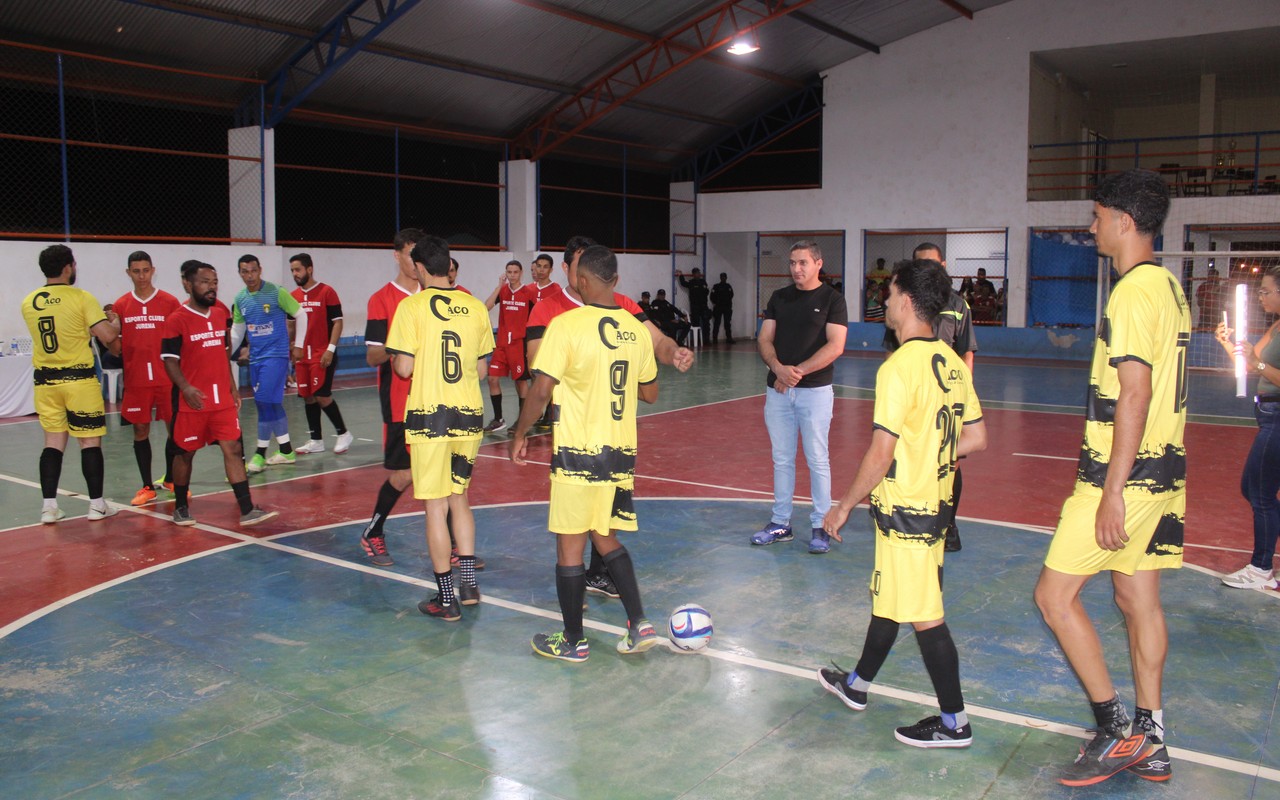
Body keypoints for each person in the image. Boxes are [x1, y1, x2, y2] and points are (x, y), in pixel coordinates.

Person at [1033, 169, 1187, 786]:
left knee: (1054, 597)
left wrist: (1113, 492)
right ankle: (1153, 736)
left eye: (1097, 217)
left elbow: (1134, 393)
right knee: (1137, 600)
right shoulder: (1169, 287)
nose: (1091, 226)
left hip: (1120, 476)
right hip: (1165, 470)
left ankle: (1117, 729)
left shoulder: (1131, 292)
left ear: (1124, 221)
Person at [818, 258, 987, 748]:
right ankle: (856, 685)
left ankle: (954, 722)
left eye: (889, 295)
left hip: (907, 511)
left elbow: (882, 452)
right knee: (891, 600)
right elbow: (977, 437)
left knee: (926, 615)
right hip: (934, 506)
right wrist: (932, 451)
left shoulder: (898, 368)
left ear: (907, 303)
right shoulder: (952, 364)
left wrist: (843, 505)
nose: (885, 302)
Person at [510, 244, 660, 661]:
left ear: (580, 281)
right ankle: (639, 622)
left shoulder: (566, 325)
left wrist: (520, 432)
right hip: (620, 453)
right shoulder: (635, 328)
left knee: (569, 547)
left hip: (578, 453)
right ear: (616, 280)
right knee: (604, 534)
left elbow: (541, 389)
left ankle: (573, 640)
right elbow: (650, 393)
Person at [525, 235, 693, 596]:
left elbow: (657, 341)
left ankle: (595, 579)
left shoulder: (624, 307)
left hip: (606, 432)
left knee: (600, 516)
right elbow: (537, 366)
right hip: (575, 425)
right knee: (584, 518)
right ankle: (603, 595)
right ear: (568, 268)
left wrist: (674, 351)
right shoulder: (547, 310)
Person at [384, 235, 494, 621]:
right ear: (449, 266)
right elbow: (482, 370)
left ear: (418, 268)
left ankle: (446, 598)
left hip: (430, 416)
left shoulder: (411, 307)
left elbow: (403, 368)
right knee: (459, 497)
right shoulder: (475, 307)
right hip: (469, 414)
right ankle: (469, 586)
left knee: (435, 507)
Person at [162, 260, 276, 527]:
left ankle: (247, 509)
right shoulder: (176, 320)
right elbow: (169, 360)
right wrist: (186, 387)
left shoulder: (221, 312)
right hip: (192, 401)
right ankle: (180, 507)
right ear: (188, 284)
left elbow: (223, 354)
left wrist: (232, 388)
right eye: (205, 282)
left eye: (214, 282)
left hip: (222, 399)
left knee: (233, 448)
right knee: (185, 454)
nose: (211, 287)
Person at [751, 240, 847, 554]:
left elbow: (836, 345)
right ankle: (781, 523)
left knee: (817, 458)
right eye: (792, 263)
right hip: (778, 392)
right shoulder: (779, 297)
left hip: (815, 392)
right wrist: (778, 369)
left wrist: (797, 373)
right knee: (782, 459)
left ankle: (820, 525)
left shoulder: (833, 299)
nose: (796, 268)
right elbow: (765, 338)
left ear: (818, 263)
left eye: (803, 262)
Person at [884, 243, 976, 553]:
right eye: (920, 264)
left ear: (943, 265)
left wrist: (963, 394)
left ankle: (949, 524)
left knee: (952, 462)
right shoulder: (902, 306)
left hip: (945, 394)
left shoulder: (958, 305)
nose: (926, 269)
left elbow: (966, 353)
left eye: (932, 263)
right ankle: (909, 516)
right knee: (906, 455)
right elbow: (891, 351)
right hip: (912, 395)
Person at [21, 244, 121, 523]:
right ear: (68, 267)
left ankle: (49, 508)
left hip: (46, 383)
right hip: (79, 380)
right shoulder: (81, 297)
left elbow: (61, 328)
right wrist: (116, 323)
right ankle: (97, 505)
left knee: (53, 442)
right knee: (89, 442)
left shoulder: (29, 301)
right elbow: (106, 336)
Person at [1215, 267, 1280, 589]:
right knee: (1254, 489)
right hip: (1268, 415)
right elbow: (1251, 362)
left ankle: (1261, 569)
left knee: (1260, 492)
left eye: (1266, 291)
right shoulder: (1277, 326)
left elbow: (1260, 365)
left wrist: (1259, 364)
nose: (1261, 296)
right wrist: (1229, 344)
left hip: (1278, 418)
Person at [108, 251, 182, 507]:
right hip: (137, 379)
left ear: (153, 270)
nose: (142, 276)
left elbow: (180, 339)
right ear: (128, 273)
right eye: (136, 271)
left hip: (167, 377)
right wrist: (108, 333)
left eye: (146, 270)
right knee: (140, 430)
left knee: (174, 428)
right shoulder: (120, 306)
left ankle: (172, 480)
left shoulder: (169, 302)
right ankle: (147, 486)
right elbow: (115, 347)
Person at [231, 254, 307, 473]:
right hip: (256, 358)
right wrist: (225, 352)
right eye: (245, 272)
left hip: (276, 355)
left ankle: (260, 453)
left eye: (253, 270)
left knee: (263, 400)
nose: (250, 275)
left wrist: (299, 345)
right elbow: (238, 331)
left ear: (260, 270)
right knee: (270, 404)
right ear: (240, 273)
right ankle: (286, 450)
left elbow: (301, 315)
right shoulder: (241, 299)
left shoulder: (276, 292)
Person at [289, 253, 354, 456]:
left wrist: (330, 349)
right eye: (292, 270)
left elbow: (338, 322)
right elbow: (291, 326)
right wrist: (290, 347)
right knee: (308, 397)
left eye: (298, 269)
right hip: (303, 356)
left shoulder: (327, 292)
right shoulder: (293, 297)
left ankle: (343, 434)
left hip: (322, 354)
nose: (295, 274)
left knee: (322, 396)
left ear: (309, 269)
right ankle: (316, 440)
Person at [481, 260, 534, 433]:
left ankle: (522, 421)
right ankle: (498, 419)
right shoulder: (503, 291)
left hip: (519, 344)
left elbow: (536, 318)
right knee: (492, 379)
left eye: (515, 272)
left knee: (520, 382)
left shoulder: (528, 293)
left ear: (521, 273)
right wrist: (499, 286)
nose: (512, 275)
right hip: (502, 344)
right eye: (509, 272)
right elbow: (485, 307)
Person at [677, 267, 711, 344]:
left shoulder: (703, 282)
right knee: (696, 323)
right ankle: (698, 340)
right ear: (693, 274)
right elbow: (683, 283)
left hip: (704, 306)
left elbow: (707, 291)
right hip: (695, 306)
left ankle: (706, 340)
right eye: (697, 273)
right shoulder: (691, 283)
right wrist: (681, 275)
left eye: (699, 272)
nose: (698, 274)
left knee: (706, 323)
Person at [710, 272, 735, 344]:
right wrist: (716, 302)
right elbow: (712, 296)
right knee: (717, 323)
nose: (723, 278)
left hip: (727, 307)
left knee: (727, 323)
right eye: (722, 277)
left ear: (726, 278)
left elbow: (731, 295)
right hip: (718, 307)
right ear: (720, 278)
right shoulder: (716, 286)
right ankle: (715, 339)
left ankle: (729, 338)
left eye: (724, 277)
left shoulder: (728, 286)